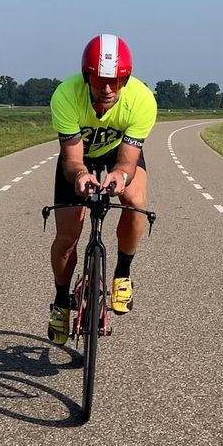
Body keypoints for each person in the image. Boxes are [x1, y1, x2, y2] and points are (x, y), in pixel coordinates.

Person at [47, 34, 158, 345]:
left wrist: (120, 177)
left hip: (117, 154)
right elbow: (71, 160)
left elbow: (127, 163)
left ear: (125, 78)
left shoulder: (142, 100)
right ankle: (60, 301)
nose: (107, 88)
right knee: (68, 236)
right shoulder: (66, 96)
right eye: (98, 80)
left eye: (116, 80)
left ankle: (122, 272)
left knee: (135, 201)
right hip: (79, 157)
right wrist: (81, 175)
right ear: (86, 77)